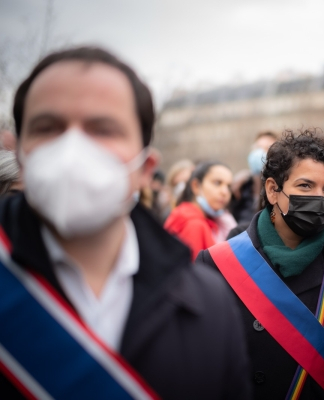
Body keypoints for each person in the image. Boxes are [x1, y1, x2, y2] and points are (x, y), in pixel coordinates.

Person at [0, 46, 250, 399]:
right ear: (21, 155)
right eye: (48, 127)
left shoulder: (212, 307)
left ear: (145, 169)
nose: (73, 150)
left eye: (102, 129)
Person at [197, 129, 324, 399]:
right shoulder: (216, 261)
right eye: (305, 186)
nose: (319, 199)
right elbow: (200, 365)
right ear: (273, 190)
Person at [165, 161, 237, 259]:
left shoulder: (199, 218)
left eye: (228, 186)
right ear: (196, 186)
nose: (225, 192)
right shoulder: (194, 224)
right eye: (217, 183)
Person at [229, 131, 278, 223]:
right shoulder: (241, 186)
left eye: (267, 148)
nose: (260, 153)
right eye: (258, 148)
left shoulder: (280, 189)